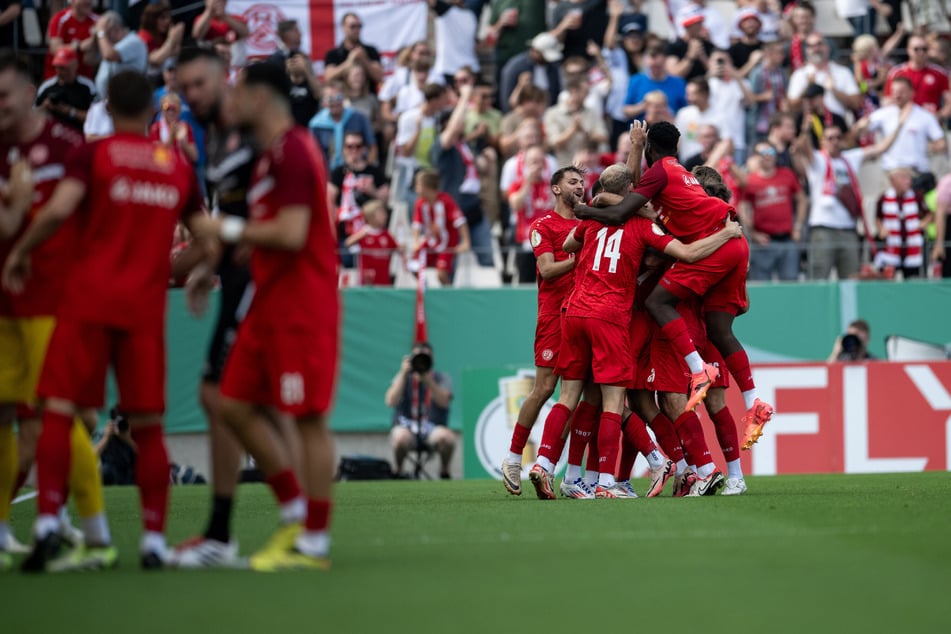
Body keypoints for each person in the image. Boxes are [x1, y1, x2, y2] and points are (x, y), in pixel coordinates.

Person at [2, 69, 207, 572]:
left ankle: (49, 521)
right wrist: (189, 273)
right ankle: (154, 540)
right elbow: (207, 239)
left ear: (108, 106)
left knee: (56, 411)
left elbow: (57, 212)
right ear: (155, 110)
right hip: (143, 310)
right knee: (150, 428)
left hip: (87, 305)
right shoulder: (176, 165)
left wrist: (21, 251)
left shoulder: (93, 155)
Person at [189, 61, 339, 572]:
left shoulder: (294, 149)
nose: (236, 99)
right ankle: (295, 507)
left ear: (262, 97)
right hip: (267, 302)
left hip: (300, 305)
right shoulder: (269, 155)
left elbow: (292, 233)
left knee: (308, 418)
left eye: (244, 91)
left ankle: (313, 541)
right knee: (229, 402)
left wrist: (227, 231)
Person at [573, 121, 773, 456]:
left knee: (658, 302)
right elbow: (634, 191)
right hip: (733, 240)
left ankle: (699, 372)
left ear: (652, 148)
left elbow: (624, 208)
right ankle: (754, 401)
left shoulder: (660, 173)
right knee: (720, 330)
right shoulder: (678, 172)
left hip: (717, 243)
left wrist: (585, 210)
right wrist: (636, 150)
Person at [0, 52, 108, 573]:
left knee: (57, 415)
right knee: (8, 415)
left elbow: (79, 218)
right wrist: (15, 215)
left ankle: (94, 531)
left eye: (4, 97)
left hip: (51, 301)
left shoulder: (66, 147)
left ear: (28, 94)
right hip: (4, 304)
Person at [170, 46, 260, 569]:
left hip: (260, 281)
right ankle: (222, 531)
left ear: (224, 78)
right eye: (185, 89)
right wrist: (206, 267)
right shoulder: (215, 139)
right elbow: (226, 222)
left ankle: (294, 515)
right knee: (219, 398)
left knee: (226, 398)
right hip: (236, 276)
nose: (192, 96)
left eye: (199, 84)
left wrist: (189, 262)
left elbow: (250, 224)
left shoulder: (246, 134)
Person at [499, 165, 579, 496]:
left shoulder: (587, 223)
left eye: (582, 182)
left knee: (574, 396)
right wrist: (581, 260)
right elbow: (546, 270)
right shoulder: (543, 225)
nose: (580, 186)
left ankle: (558, 470)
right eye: (572, 182)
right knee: (544, 387)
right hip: (552, 316)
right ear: (556, 189)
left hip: (582, 316)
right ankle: (514, 458)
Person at [794, 113, 908, 281]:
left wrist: (899, 125)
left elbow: (881, 148)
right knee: (819, 278)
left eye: (838, 138)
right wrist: (805, 130)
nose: (834, 141)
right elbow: (803, 147)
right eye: (830, 138)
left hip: (848, 229)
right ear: (823, 142)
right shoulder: (818, 159)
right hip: (823, 228)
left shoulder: (850, 158)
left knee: (850, 279)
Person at [736, 141, 807, 281]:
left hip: (787, 240)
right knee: (762, 287)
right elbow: (742, 207)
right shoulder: (750, 180)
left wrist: (798, 227)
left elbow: (802, 200)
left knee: (790, 287)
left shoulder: (787, 175)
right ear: (756, 157)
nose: (767, 156)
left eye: (771, 152)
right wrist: (752, 233)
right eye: (763, 153)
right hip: (763, 242)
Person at [385, 342, 456, 479]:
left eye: (425, 357)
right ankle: (398, 470)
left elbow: (444, 402)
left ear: (432, 358)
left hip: (432, 428)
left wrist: (428, 381)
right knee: (400, 437)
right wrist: (403, 373)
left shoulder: (441, 378)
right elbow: (390, 401)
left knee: (446, 438)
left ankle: (444, 471)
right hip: (406, 427)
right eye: (418, 357)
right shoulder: (403, 378)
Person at [411, 168, 471, 286]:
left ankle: (448, 295)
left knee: (441, 274)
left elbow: (460, 221)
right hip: (430, 242)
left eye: (418, 185)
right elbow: (416, 225)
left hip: (447, 244)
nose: (416, 189)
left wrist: (466, 242)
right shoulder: (420, 203)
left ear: (428, 188)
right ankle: (424, 289)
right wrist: (416, 241)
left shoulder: (446, 201)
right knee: (413, 265)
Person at [873, 167, 931, 278]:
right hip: (892, 246)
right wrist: (881, 229)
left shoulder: (916, 196)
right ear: (893, 180)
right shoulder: (884, 198)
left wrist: (923, 223)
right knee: (888, 280)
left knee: (913, 279)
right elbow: (878, 217)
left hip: (911, 246)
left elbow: (929, 214)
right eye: (903, 177)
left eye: (908, 177)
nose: (908, 181)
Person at [308, 81, 377, 169]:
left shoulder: (359, 118)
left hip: (357, 172)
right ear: (323, 102)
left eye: (339, 97)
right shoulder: (316, 125)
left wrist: (365, 170)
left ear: (344, 98)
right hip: (328, 173)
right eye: (330, 99)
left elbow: (372, 147)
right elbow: (312, 155)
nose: (335, 102)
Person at [35, 47, 97, 132]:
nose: (60, 71)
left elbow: (96, 118)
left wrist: (70, 111)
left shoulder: (87, 86)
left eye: (64, 67)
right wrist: (44, 107)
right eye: (57, 67)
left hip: (78, 132)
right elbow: (32, 114)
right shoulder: (46, 86)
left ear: (75, 65)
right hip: (52, 133)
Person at [323, 12, 383, 90]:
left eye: (359, 26)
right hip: (343, 97)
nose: (356, 30)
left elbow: (379, 76)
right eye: (352, 27)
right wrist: (349, 61)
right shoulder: (333, 54)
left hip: (367, 97)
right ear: (343, 27)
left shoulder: (370, 51)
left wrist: (365, 60)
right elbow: (328, 77)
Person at [94, 11, 148, 98]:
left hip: (128, 99)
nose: (105, 39)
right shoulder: (113, 45)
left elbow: (109, 55)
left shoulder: (133, 41)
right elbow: (88, 59)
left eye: (106, 33)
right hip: (110, 101)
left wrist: (101, 33)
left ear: (115, 30)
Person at [344, 200, 398, 286]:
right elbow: (347, 243)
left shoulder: (386, 234)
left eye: (384, 214)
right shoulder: (364, 233)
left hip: (383, 280)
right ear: (370, 217)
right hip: (367, 280)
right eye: (381, 214)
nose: (385, 216)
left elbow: (397, 248)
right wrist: (360, 235)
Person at [44, 0, 99, 80]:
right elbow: (54, 49)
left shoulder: (98, 21)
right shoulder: (60, 19)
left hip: (84, 77)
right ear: (72, 1)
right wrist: (79, 47)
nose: (88, 1)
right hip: (57, 77)